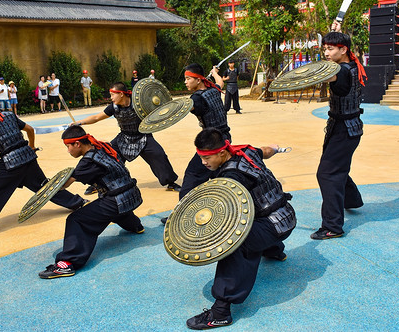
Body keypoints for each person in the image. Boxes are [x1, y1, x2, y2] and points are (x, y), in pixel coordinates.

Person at [185, 128, 296, 329]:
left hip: (273, 225)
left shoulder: (232, 179)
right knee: (257, 219)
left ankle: (220, 312)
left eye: (207, 157)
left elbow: (227, 220)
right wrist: (276, 148)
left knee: (235, 242)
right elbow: (266, 150)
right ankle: (274, 250)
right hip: (286, 216)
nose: (203, 163)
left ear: (221, 153)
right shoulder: (246, 151)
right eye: (201, 157)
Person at [0, 91, 85, 241]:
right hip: (28, 158)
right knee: (44, 187)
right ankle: (77, 202)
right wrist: (32, 147)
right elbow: (30, 129)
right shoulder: (10, 115)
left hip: (11, 164)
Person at [38, 125, 144, 279]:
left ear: (77, 144)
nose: (68, 151)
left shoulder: (88, 161)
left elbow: (64, 184)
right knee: (108, 204)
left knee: (77, 219)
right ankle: (135, 225)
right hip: (131, 194)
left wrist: (49, 185)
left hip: (116, 199)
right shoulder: (102, 147)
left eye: (68, 146)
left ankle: (67, 263)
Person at [71, 82, 181, 193]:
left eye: (112, 94)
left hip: (143, 136)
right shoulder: (113, 107)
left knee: (158, 154)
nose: (111, 98)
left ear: (121, 94)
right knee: (105, 157)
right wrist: (80, 123)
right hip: (124, 138)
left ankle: (170, 182)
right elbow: (96, 117)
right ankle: (98, 184)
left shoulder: (139, 103)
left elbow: (157, 108)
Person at [311, 30, 365, 240]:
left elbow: (323, 73)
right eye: (325, 48)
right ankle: (352, 200)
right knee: (336, 168)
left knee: (327, 173)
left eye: (330, 48)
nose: (326, 52)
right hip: (345, 126)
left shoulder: (341, 71)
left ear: (343, 50)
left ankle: (332, 226)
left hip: (344, 129)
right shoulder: (352, 64)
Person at [179, 63, 230, 199]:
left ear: (198, 79)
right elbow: (220, 82)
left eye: (188, 78)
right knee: (218, 175)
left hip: (211, 144)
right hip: (225, 138)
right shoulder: (213, 90)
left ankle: (182, 213)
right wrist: (214, 73)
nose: (185, 82)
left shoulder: (196, 99)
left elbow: (182, 109)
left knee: (193, 175)